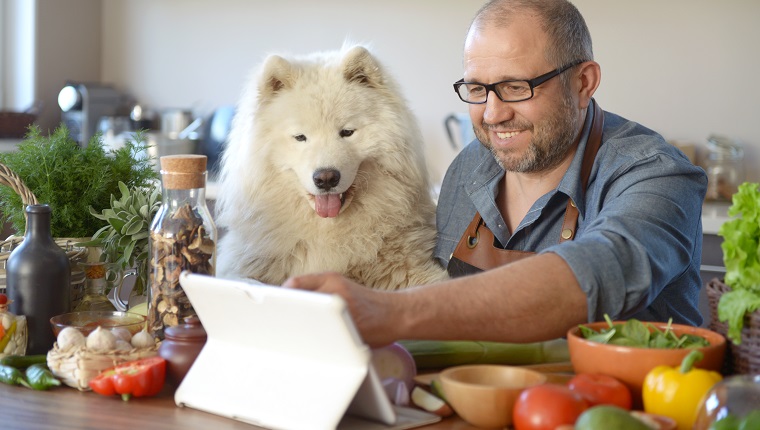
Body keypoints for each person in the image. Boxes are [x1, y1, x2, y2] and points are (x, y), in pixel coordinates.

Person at [283, 0, 707, 348]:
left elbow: (600, 271)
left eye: (516, 87)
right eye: (477, 89)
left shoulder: (657, 175)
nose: (492, 114)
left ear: (583, 83)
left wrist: (391, 311)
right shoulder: (468, 168)